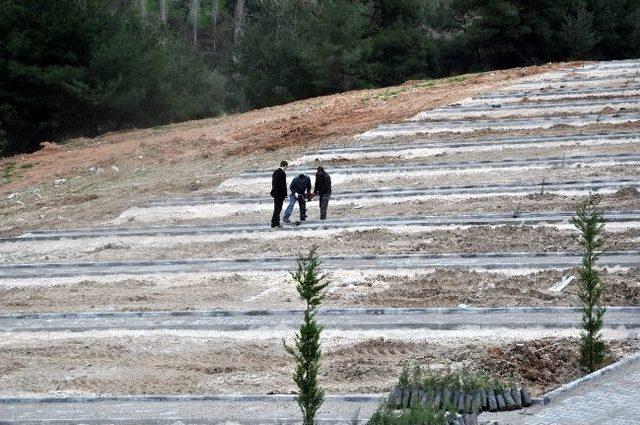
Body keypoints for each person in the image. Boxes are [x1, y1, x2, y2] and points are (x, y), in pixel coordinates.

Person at [270, 161, 288, 228]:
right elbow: (283, 185)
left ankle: (276, 222)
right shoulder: (282, 173)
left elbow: (274, 183)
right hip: (280, 194)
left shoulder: (275, 172)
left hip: (276, 193)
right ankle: (274, 223)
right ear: (285, 166)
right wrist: (285, 194)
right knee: (278, 209)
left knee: (276, 208)